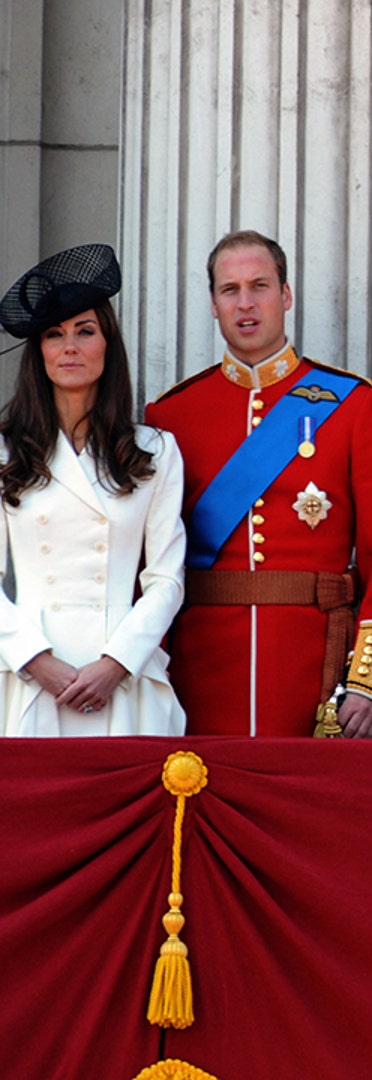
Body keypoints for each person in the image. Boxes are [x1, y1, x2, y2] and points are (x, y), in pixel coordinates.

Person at [145, 230, 372, 737]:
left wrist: (367, 681)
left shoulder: (353, 405)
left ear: (286, 296)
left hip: (314, 667)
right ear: (213, 303)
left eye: (260, 286)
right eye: (230, 290)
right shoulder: (171, 415)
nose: (246, 304)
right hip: (198, 670)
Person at [0, 244, 187, 736]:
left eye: (85, 331)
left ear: (108, 344)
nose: (70, 347)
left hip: (125, 675)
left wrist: (116, 663)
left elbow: (166, 579)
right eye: (54, 335)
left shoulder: (154, 451)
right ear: (38, 352)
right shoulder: (5, 453)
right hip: (30, 673)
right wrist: (36, 660)